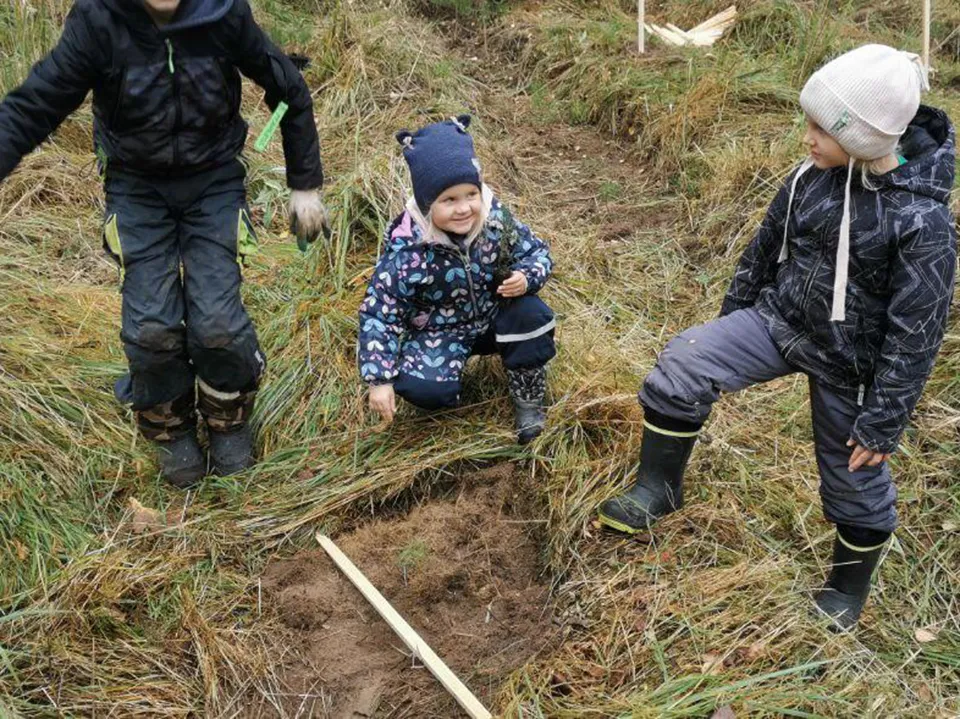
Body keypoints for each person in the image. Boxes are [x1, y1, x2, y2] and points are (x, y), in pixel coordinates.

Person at [598, 45, 956, 630]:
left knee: (856, 476)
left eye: (820, 127)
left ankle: (846, 587)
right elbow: (764, 251)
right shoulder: (809, 179)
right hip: (781, 321)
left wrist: (885, 417)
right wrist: (730, 319)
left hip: (853, 365)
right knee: (682, 366)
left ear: (864, 139)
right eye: (807, 121)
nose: (806, 137)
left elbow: (917, 332)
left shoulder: (923, 223)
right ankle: (658, 489)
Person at [0, 0, 329, 487]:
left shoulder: (224, 14)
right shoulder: (97, 20)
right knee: (151, 327)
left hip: (214, 180)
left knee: (217, 322)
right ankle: (169, 425)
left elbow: (288, 87)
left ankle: (228, 417)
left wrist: (305, 185)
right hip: (136, 188)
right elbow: (35, 105)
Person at [358, 116, 556, 443]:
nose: (464, 208)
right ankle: (450, 389)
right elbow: (379, 312)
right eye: (449, 200)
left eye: (470, 194)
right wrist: (378, 379)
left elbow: (538, 253)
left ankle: (528, 397)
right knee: (423, 388)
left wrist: (526, 276)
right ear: (426, 204)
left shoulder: (496, 221)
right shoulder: (407, 248)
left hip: (496, 316)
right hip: (440, 330)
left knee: (531, 315)